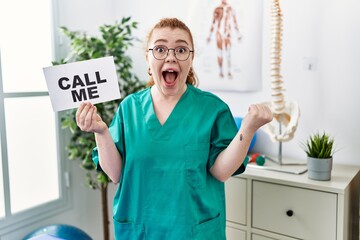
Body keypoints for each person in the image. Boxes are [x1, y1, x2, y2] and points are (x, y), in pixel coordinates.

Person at [76, 18, 272, 240]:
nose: (170, 56)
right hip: (142, 231)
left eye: (180, 49)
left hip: (193, 231)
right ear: (148, 60)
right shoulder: (129, 108)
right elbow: (115, 173)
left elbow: (221, 171)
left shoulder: (213, 109)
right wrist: (100, 131)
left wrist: (248, 129)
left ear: (191, 59)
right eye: (159, 49)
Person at [207, 0, 243, 79]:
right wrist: (210, 36)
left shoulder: (230, 9)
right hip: (219, 33)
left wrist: (238, 34)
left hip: (227, 33)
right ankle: (221, 71)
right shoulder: (217, 9)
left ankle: (229, 71)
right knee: (220, 53)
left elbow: (234, 22)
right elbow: (213, 23)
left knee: (228, 53)